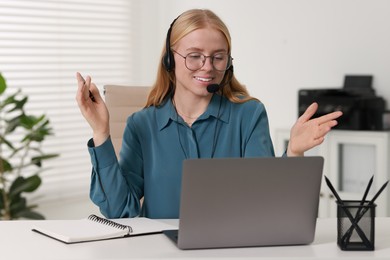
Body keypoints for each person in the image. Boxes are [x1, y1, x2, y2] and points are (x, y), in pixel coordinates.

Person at [76, 9, 342, 219]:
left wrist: (293, 153)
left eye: (218, 57)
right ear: (170, 60)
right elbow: (121, 209)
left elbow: (265, 202)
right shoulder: (141, 124)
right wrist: (101, 133)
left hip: (232, 248)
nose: (208, 67)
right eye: (194, 56)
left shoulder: (248, 115)